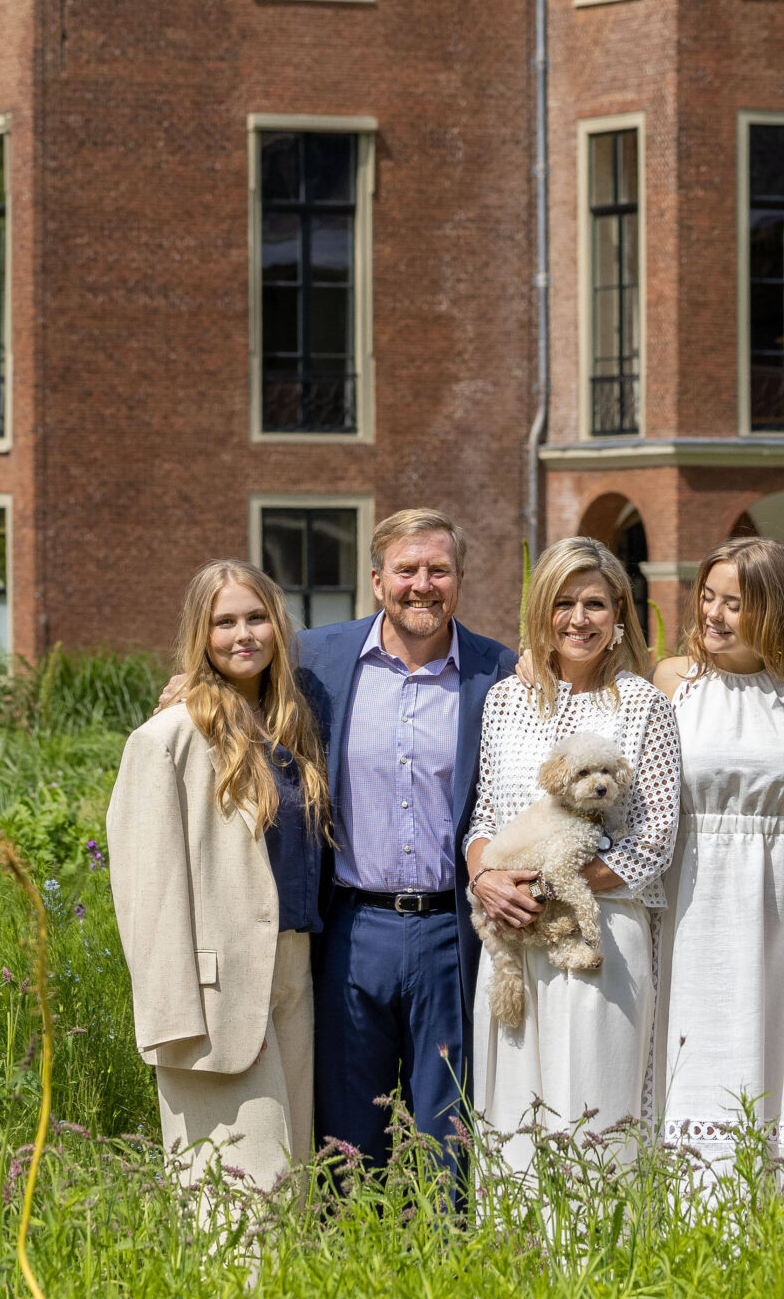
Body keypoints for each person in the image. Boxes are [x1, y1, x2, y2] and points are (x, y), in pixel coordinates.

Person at [291, 508, 518, 1177]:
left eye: (438, 569)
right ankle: (353, 1258)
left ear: (461, 579)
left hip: (450, 929)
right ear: (376, 579)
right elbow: (235, 680)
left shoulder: (498, 672)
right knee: (347, 1130)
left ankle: (448, 1264)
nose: (423, 584)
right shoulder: (317, 660)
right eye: (407, 569)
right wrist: (189, 683)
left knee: (448, 1129)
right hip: (350, 926)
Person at [109, 560, 329, 1192]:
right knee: (240, 1192)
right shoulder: (170, 738)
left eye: (257, 618)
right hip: (215, 992)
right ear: (200, 635)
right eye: (224, 621)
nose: (243, 635)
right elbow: (145, 891)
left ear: (279, 627)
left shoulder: (294, 728)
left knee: (295, 1182)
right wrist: (171, 1015)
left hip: (293, 972)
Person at [466, 535, 681, 1172]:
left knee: (594, 1103)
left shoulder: (644, 705)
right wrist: (485, 879)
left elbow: (655, 836)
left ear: (619, 614)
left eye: (594, 604)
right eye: (563, 603)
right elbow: (483, 814)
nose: (578, 619)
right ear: (542, 611)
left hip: (601, 932)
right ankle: (518, 1260)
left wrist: (557, 887)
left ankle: (598, 1261)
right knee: (516, 1110)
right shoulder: (506, 700)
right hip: (510, 929)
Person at [647, 535, 784, 1179]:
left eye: (734, 604)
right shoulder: (672, 679)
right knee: (686, 1039)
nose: (711, 615)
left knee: (772, 1033)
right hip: (689, 889)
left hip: (782, 894)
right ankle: (681, 1203)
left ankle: (768, 1203)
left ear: (774, 610)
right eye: (707, 597)